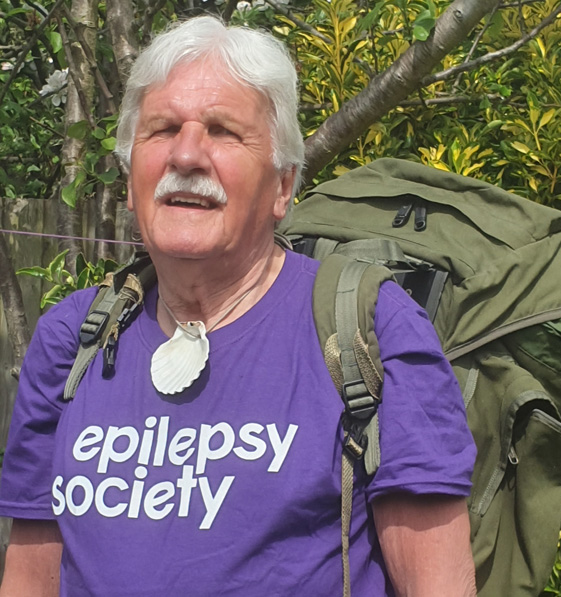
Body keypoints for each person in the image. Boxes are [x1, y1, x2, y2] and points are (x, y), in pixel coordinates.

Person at [0, 16, 477, 597]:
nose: (188, 155)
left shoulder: (371, 327)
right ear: (129, 179)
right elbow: (30, 579)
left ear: (282, 187)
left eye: (223, 132)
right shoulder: (71, 339)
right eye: (163, 129)